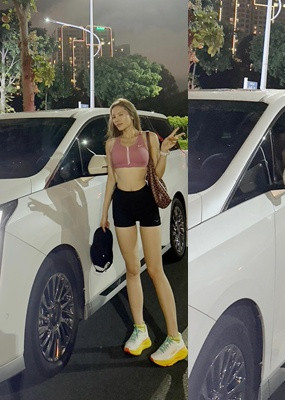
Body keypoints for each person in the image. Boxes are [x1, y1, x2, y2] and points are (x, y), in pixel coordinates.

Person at [100, 98, 187, 367]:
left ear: (131, 115)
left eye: (121, 114)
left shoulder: (148, 138)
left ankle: (175, 339)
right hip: (122, 206)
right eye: (113, 116)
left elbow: (156, 175)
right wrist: (104, 213)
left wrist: (164, 151)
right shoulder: (110, 144)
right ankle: (141, 330)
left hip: (145, 202)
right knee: (132, 269)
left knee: (155, 270)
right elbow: (111, 180)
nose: (117, 119)